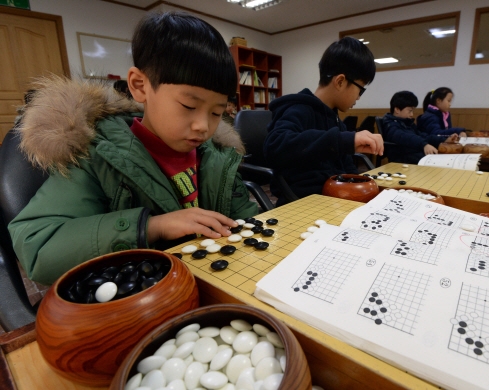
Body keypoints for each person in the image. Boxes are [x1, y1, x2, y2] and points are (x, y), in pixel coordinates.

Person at [8, 11, 258, 285]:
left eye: (216, 113)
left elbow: (244, 217)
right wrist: (152, 226)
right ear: (140, 86)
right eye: (189, 106)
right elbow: (37, 247)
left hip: (213, 284)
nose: (203, 126)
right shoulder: (97, 154)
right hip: (142, 298)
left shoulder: (217, 156)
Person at [263, 37, 384, 206]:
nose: (358, 97)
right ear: (340, 81)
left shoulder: (335, 119)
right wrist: (343, 140)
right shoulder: (298, 109)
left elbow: (348, 168)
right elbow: (275, 146)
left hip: (333, 199)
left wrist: (362, 187)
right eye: (360, 90)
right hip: (303, 203)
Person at [380, 91, 458, 164]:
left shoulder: (407, 123)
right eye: (409, 111)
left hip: (413, 155)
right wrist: (424, 145)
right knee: (438, 160)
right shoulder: (390, 124)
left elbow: (423, 136)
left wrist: (444, 140)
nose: (411, 114)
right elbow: (405, 137)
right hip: (402, 158)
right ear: (397, 109)